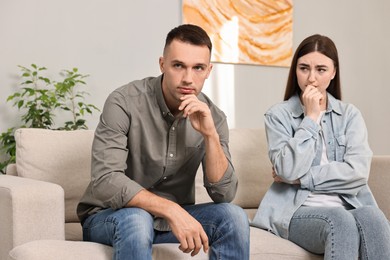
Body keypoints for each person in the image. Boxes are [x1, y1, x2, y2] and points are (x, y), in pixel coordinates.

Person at [77, 24, 250, 260]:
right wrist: (171, 209)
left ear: (208, 70)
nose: (188, 78)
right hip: (113, 216)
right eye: (178, 65)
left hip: (169, 221)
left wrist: (210, 136)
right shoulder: (124, 102)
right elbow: (106, 180)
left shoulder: (213, 117)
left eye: (198, 68)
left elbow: (224, 194)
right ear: (162, 64)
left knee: (234, 217)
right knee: (138, 219)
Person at [251, 34, 390, 259]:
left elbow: (358, 172)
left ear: (334, 72)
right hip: (297, 211)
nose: (311, 79)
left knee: (375, 218)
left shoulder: (350, 115)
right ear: (295, 70)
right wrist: (312, 118)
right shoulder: (278, 115)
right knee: (340, 220)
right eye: (304, 68)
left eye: (321, 70)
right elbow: (287, 169)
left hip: (348, 204)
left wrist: (301, 179)